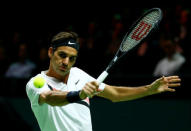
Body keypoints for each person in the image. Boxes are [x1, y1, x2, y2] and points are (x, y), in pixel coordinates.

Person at [26, 31, 181, 131]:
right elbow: (50, 98)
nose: (66, 62)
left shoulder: (78, 74)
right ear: (51, 52)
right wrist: (79, 94)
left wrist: (149, 89)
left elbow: (115, 94)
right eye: (62, 55)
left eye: (72, 58)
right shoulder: (36, 82)